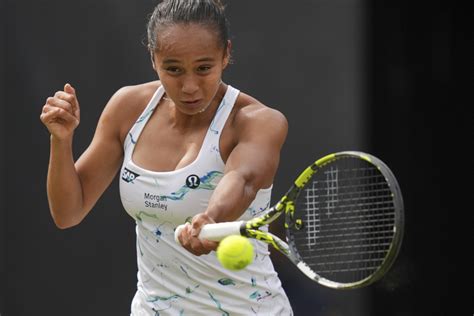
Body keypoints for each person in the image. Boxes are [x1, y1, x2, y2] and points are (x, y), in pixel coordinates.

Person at [40, 0, 293, 315]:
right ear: (153, 59)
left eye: (204, 68)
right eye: (173, 69)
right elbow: (68, 212)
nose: (189, 86)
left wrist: (211, 217)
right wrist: (61, 141)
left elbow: (242, 180)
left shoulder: (258, 121)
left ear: (226, 54)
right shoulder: (128, 108)